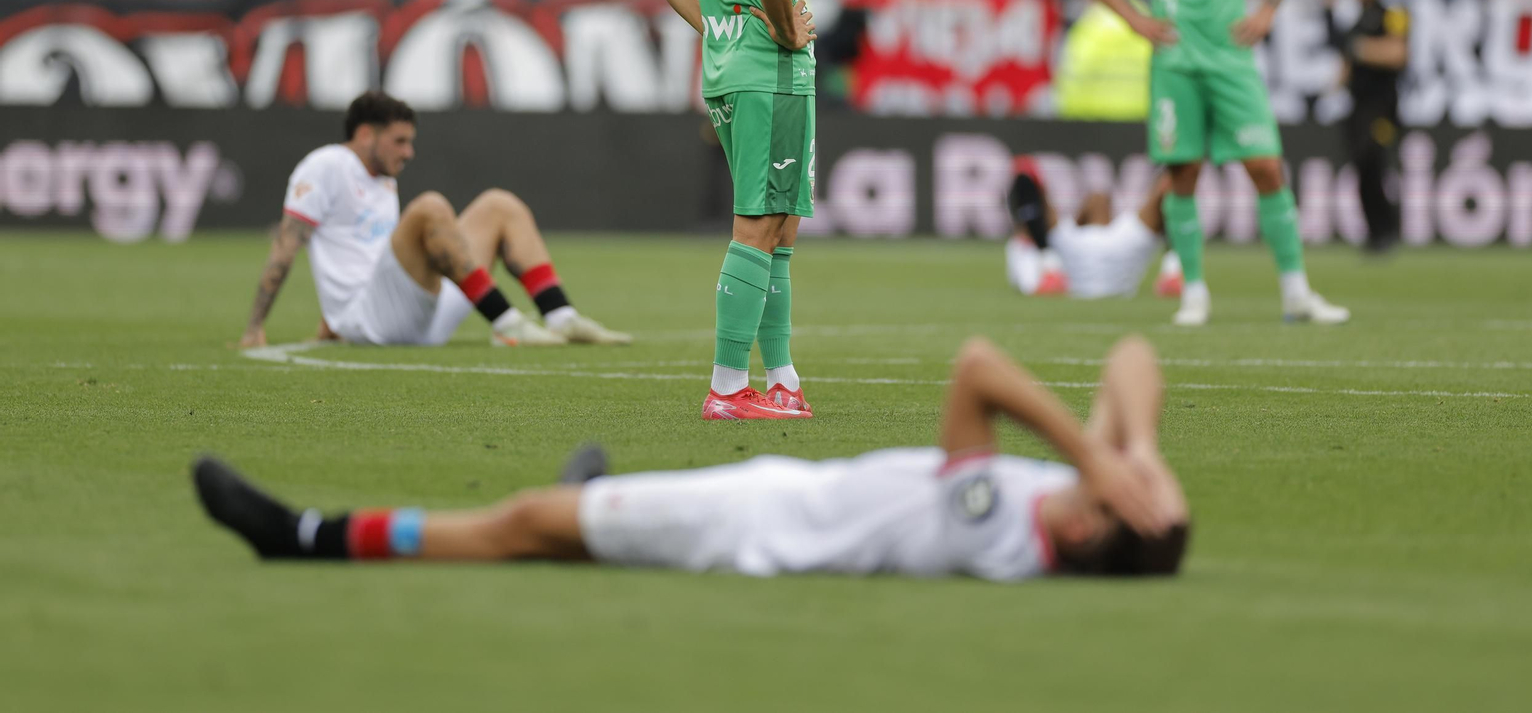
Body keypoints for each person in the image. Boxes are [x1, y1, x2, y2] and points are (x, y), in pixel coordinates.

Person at [193, 334, 1191, 580]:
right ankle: (591, 502)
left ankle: (306, 537)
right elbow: (1134, 356)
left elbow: (978, 366)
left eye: (1102, 494)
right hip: (776, 496)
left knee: (521, 525)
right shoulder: (1070, 509)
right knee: (562, 521)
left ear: (1090, 529)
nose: (1091, 482)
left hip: (753, 526)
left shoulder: (997, 530)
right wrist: (1132, 449)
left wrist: (1095, 455)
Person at [1072, 0, 1349, 327]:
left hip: (1232, 58)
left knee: (1267, 166)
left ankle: (1297, 294)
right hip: (1176, 59)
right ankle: (1193, 293)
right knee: (1182, 173)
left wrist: (1268, 6)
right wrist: (1133, 19)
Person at [638, 0, 835, 419]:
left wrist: (715, 24)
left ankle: (780, 376)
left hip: (728, 66)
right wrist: (781, 30)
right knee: (758, 225)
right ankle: (727, 388)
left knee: (780, 226)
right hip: (770, 72)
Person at [238, 91, 629, 350]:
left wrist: (329, 323)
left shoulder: (382, 180)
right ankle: (507, 323)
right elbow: (286, 244)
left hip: (416, 312)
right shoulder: (324, 166)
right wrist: (256, 326)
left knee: (498, 204)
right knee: (429, 208)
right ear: (363, 134)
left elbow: (357, 251)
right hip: (374, 323)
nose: (409, 153)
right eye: (399, 141)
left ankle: (562, 318)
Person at [1003, 159, 1184, 301]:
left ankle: (1048, 266)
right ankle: (1173, 269)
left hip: (1072, 262)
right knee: (1173, 176)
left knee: (1024, 170)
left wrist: (1047, 253)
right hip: (1118, 262)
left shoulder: (1066, 237)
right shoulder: (1124, 234)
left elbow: (1024, 176)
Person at [1330, 0, 1408, 254]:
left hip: (1382, 108)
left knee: (1375, 165)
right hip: (1357, 108)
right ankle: (1375, 234)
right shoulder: (1356, 18)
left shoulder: (1393, 13)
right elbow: (1347, 63)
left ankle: (1387, 231)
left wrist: (1360, 50)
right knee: (1361, 169)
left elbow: (1397, 53)